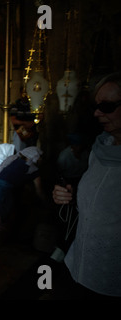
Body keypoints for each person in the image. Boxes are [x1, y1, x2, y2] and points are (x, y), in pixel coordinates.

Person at [51, 72, 121, 299]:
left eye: (107, 106)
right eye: (97, 105)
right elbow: (98, 193)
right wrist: (69, 193)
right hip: (78, 263)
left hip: (109, 277)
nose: (97, 113)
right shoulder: (100, 148)